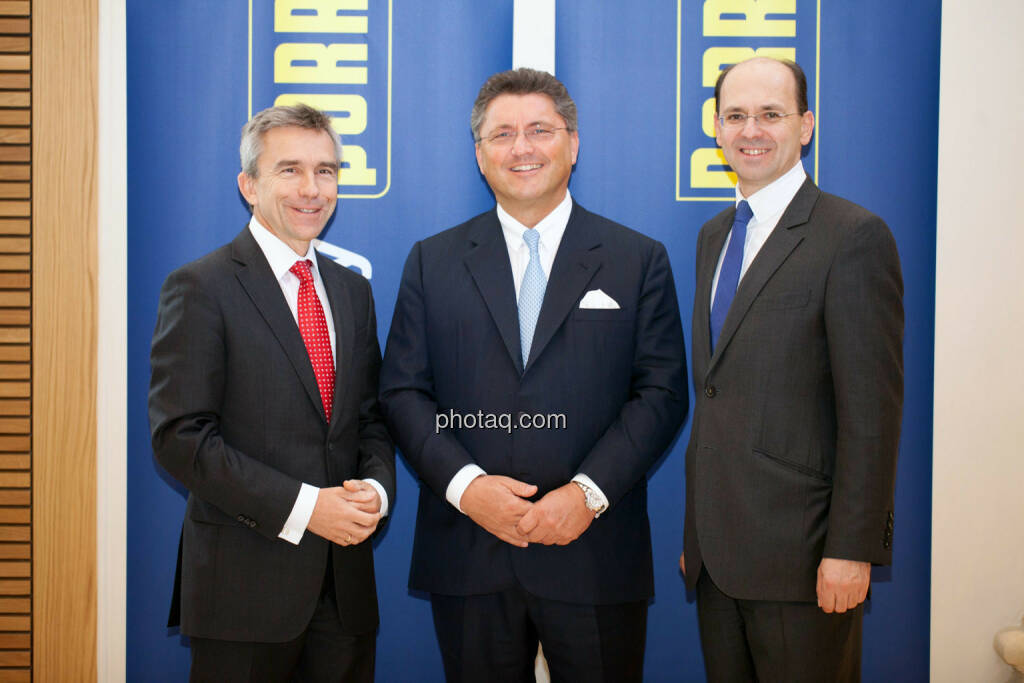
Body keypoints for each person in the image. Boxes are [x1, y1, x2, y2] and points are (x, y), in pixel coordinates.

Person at [379, 68, 688, 682]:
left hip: (595, 552)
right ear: (479, 154)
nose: (522, 148)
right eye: (503, 134)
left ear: (573, 144)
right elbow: (402, 391)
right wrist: (468, 488)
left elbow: (661, 392)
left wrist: (586, 495)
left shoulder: (637, 258)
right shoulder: (432, 260)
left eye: (540, 130)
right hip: (469, 554)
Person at [148, 104, 395, 682]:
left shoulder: (353, 292)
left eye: (327, 171)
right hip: (243, 596)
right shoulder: (201, 286)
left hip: (346, 595)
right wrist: (311, 508)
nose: (312, 189)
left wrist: (376, 494)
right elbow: (180, 438)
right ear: (249, 185)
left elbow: (370, 418)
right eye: (290, 170)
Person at [680, 57, 903, 682]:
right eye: (736, 115)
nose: (752, 129)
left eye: (771, 114)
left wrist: (851, 551)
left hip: (806, 561)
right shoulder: (713, 235)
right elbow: (718, 391)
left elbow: (873, 415)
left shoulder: (853, 236)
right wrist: (699, 532)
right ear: (718, 129)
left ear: (805, 125)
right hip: (717, 561)